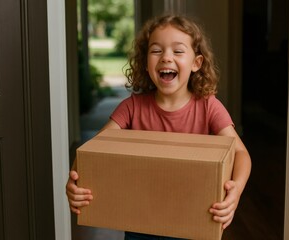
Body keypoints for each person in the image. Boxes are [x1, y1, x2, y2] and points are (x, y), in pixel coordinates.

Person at [66, 14, 251, 240]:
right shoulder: (132, 107)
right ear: (145, 62)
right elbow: (94, 149)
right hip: (141, 225)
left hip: (194, 221)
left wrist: (236, 190)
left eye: (178, 51)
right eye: (156, 50)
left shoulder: (208, 106)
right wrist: (76, 181)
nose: (166, 58)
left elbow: (241, 153)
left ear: (196, 63)